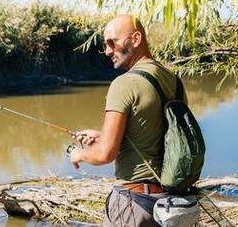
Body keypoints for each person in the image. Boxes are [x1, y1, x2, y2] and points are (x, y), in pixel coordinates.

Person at [69, 14, 187, 226]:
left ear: (135, 39)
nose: (107, 51)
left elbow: (106, 154)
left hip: (135, 204)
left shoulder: (124, 84)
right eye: (106, 45)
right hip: (170, 205)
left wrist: (80, 154)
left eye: (111, 42)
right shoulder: (174, 81)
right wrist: (102, 136)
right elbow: (158, 134)